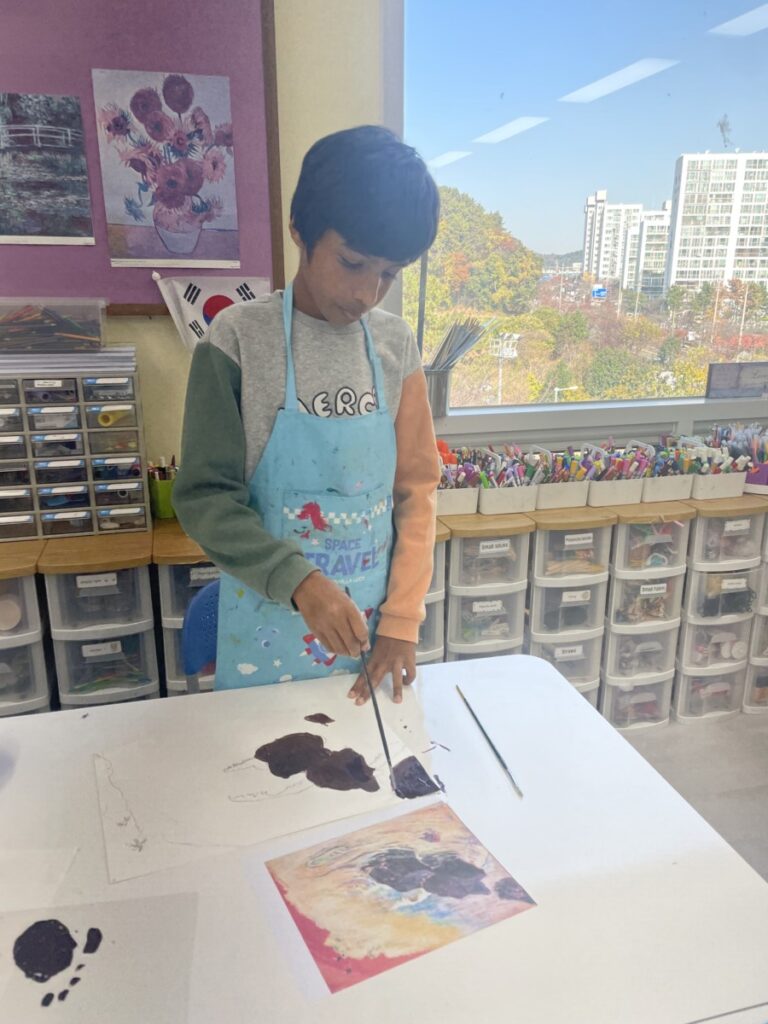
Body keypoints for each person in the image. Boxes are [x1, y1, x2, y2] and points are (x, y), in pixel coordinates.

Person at [173, 125, 441, 705]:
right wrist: (299, 581)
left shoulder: (395, 347)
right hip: (264, 635)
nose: (368, 293)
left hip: (373, 642)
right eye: (352, 262)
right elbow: (204, 498)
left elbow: (416, 491)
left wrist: (401, 621)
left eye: (389, 274)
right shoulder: (237, 340)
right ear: (299, 228)